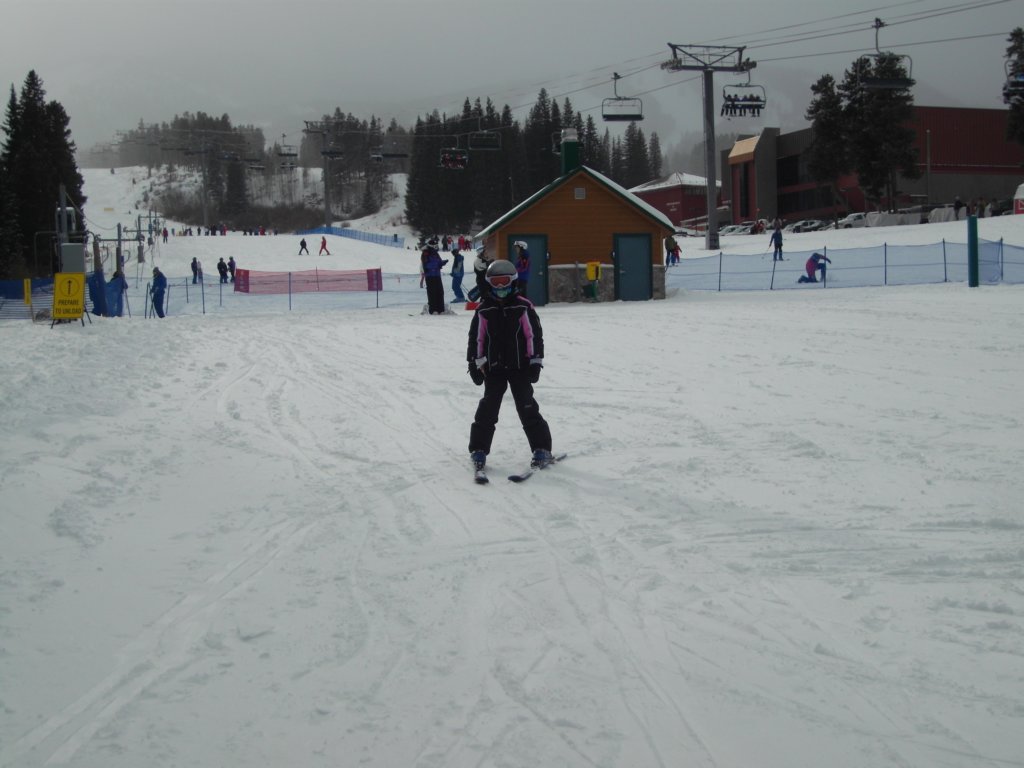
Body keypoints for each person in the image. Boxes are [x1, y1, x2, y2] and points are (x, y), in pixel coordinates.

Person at [467, 259, 553, 473]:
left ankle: (542, 448)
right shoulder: (484, 309)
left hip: (520, 367)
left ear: (512, 281)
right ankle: (478, 449)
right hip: (494, 369)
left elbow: (533, 336)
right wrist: (475, 363)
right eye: (495, 282)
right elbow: (476, 339)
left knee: (527, 406)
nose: (500, 287)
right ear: (489, 283)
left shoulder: (522, 306)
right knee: (488, 408)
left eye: (504, 281)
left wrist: (535, 361)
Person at [420, 237, 449, 314]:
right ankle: (433, 310)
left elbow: (438, 262)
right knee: (432, 293)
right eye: (435, 245)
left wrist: (442, 263)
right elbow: (426, 265)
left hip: (437, 275)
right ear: (431, 245)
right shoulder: (425, 253)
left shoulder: (436, 253)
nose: (436, 246)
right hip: (430, 276)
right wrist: (437, 265)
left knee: (440, 292)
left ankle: (441, 309)